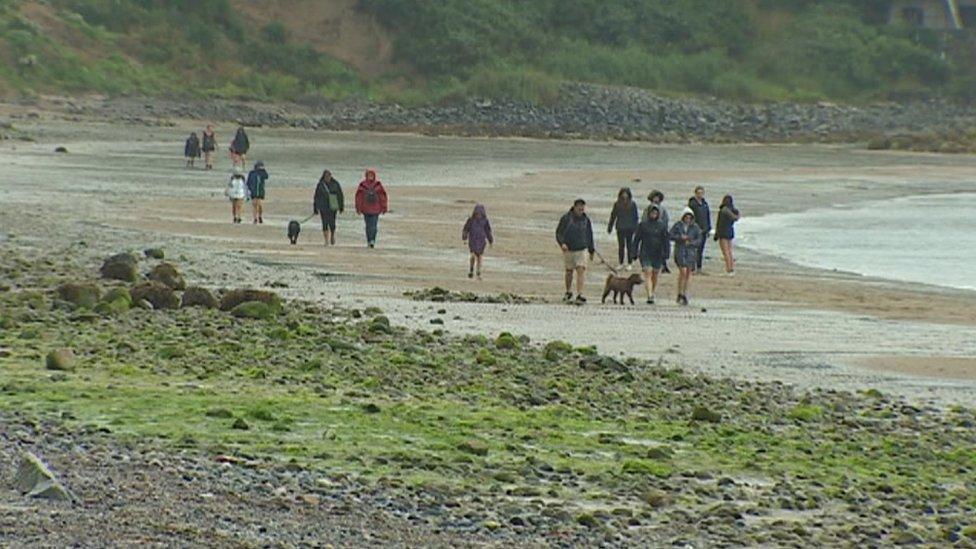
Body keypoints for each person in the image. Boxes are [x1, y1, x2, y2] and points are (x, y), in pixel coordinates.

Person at [555, 199, 595, 304]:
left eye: (583, 208)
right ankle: (568, 292)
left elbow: (589, 235)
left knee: (581, 270)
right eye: (579, 207)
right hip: (569, 249)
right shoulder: (566, 218)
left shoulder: (586, 220)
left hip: (581, 249)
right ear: (575, 207)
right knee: (569, 272)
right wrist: (562, 243)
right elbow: (559, 233)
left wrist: (591, 250)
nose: (581, 210)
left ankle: (580, 294)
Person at [633, 204, 669, 304]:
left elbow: (666, 240)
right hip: (645, 252)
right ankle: (649, 295)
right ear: (649, 213)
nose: (654, 214)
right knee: (648, 272)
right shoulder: (643, 225)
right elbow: (636, 240)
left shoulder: (662, 226)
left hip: (658, 253)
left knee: (655, 274)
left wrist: (666, 253)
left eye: (656, 213)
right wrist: (634, 252)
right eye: (652, 212)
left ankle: (652, 291)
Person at [669, 207, 703, 306]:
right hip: (680, 251)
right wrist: (680, 238)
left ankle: (684, 293)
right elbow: (670, 235)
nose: (688, 219)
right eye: (686, 217)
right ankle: (680, 292)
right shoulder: (678, 226)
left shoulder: (695, 227)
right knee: (682, 272)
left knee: (688, 273)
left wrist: (691, 243)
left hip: (691, 253)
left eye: (690, 217)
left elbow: (699, 240)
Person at [354, 169, 388, 248]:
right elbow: (359, 197)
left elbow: (383, 197)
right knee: (368, 226)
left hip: (376, 210)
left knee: (374, 226)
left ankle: (372, 240)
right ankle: (369, 240)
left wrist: (384, 207)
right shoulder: (362, 185)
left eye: (372, 175)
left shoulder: (378, 185)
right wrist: (358, 208)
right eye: (369, 175)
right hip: (366, 209)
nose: (370, 177)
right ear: (366, 176)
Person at [607, 187, 638, 269]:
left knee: (629, 246)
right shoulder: (617, 204)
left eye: (626, 193)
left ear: (629, 194)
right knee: (621, 246)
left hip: (630, 228)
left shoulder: (632, 204)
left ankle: (629, 263)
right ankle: (620, 263)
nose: (625, 195)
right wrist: (610, 226)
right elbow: (613, 215)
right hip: (620, 228)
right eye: (623, 193)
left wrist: (636, 228)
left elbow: (635, 217)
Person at [313, 169, 344, 246]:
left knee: (332, 223)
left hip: (333, 206)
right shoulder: (320, 185)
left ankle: (332, 235)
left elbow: (340, 196)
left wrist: (341, 206)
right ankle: (326, 240)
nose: (328, 177)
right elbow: (316, 197)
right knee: (324, 223)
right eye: (326, 176)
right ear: (323, 176)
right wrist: (315, 208)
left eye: (329, 176)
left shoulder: (336, 184)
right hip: (323, 207)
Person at [462, 204, 494, 280]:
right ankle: (471, 269)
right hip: (472, 239)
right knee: (472, 255)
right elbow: (466, 229)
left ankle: (478, 271)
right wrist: (464, 239)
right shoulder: (470, 220)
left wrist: (490, 241)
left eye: (480, 213)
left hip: (481, 240)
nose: (478, 214)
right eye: (477, 213)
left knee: (480, 256)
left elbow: (488, 231)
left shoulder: (485, 221)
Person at [643, 190, 671, 273]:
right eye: (654, 197)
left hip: (660, 232)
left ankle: (663, 265)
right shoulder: (647, 209)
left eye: (657, 197)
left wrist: (664, 230)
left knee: (662, 248)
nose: (656, 199)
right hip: (649, 233)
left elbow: (666, 220)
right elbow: (644, 220)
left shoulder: (663, 210)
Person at [714, 194, 741, 276]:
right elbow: (736, 218)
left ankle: (729, 269)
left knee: (725, 252)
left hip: (723, 232)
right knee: (729, 251)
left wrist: (716, 234)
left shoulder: (724, 210)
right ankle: (730, 268)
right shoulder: (731, 209)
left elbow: (719, 223)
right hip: (730, 231)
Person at [688, 185, 711, 272]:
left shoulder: (705, 204)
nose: (700, 195)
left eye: (701, 193)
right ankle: (692, 267)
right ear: (695, 193)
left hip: (704, 230)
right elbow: (689, 217)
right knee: (693, 248)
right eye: (698, 193)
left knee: (701, 249)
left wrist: (708, 228)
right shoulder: (692, 204)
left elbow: (707, 216)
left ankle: (699, 268)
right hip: (695, 230)